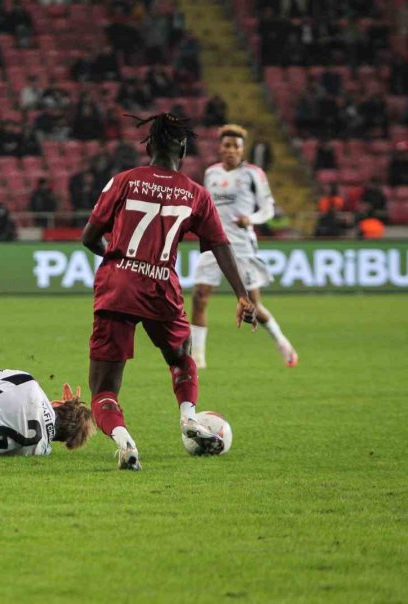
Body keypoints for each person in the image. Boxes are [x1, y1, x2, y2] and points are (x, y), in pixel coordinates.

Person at [81, 113, 257, 471]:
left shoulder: (124, 181)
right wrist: (242, 294)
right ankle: (188, 417)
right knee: (180, 356)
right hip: (161, 286)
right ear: (183, 146)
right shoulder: (195, 193)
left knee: (105, 388)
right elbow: (220, 244)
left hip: (116, 286)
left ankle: (124, 441)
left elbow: (88, 237)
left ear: (149, 146)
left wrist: (119, 258)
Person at [190, 124, 297, 370]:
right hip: (213, 244)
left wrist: (253, 219)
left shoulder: (253, 174)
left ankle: (281, 341)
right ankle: (198, 358)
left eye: (235, 146)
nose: (230, 150)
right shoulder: (211, 173)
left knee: (252, 305)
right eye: (226, 145)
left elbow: (268, 208)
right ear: (220, 148)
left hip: (242, 246)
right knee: (199, 297)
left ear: (242, 149)